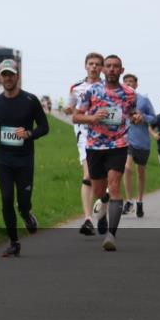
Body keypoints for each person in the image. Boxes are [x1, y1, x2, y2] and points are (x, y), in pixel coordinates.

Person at [72, 54, 142, 251]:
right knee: (99, 191)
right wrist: (93, 117)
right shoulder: (92, 91)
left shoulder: (129, 94)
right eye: (108, 66)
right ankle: (102, 211)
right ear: (103, 70)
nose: (111, 69)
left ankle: (111, 234)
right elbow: (76, 117)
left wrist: (137, 118)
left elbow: (133, 113)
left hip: (118, 145)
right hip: (94, 146)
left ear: (121, 70)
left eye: (116, 66)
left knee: (115, 186)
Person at [0, 59, 50, 256]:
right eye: (4, 75)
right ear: (0, 77)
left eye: (11, 74)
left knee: (23, 202)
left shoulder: (30, 101)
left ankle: (26, 214)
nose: (8, 78)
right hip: (3, 159)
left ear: (17, 76)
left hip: (24, 160)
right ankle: (14, 242)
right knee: (6, 198)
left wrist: (29, 134)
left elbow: (44, 127)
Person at [64, 53, 104, 236]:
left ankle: (102, 210)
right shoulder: (76, 87)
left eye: (97, 64)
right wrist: (68, 109)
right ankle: (88, 219)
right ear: (85, 66)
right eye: (91, 64)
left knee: (103, 177)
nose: (94, 67)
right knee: (88, 175)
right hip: (84, 135)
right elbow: (69, 107)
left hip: (106, 137)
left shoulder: (108, 88)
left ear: (102, 68)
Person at [120, 73, 155, 217]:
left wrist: (143, 117)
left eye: (131, 82)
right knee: (127, 168)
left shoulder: (144, 100)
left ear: (136, 84)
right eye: (126, 82)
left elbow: (153, 119)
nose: (128, 84)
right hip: (127, 140)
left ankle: (140, 201)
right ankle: (129, 201)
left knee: (141, 172)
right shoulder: (120, 100)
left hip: (142, 142)